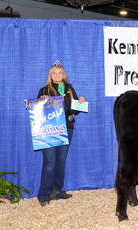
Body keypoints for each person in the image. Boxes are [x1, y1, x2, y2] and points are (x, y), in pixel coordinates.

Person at [37, 60, 85, 206]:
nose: (57, 75)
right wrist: (41, 102)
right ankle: (44, 194)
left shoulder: (70, 90)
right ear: (50, 76)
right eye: (54, 73)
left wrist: (80, 101)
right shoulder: (44, 91)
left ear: (63, 75)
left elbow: (75, 110)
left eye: (60, 73)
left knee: (60, 162)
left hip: (67, 127)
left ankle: (57, 191)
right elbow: (38, 111)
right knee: (49, 162)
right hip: (49, 129)